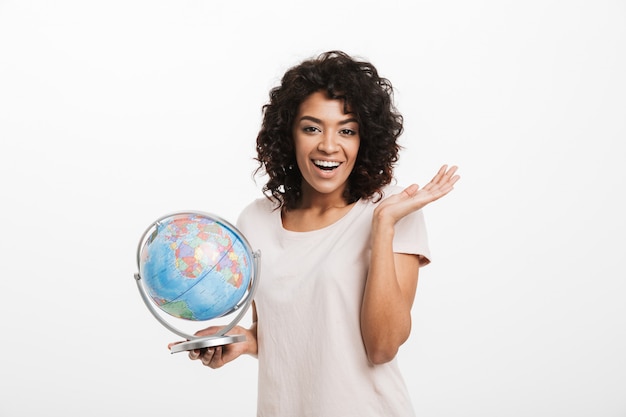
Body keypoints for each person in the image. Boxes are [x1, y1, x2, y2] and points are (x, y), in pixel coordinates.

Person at [171, 50, 460, 416]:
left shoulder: (391, 209)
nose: (328, 145)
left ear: (364, 139)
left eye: (347, 130)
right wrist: (242, 341)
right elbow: (285, 330)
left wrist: (382, 228)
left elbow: (382, 347)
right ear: (288, 135)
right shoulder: (255, 220)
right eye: (312, 127)